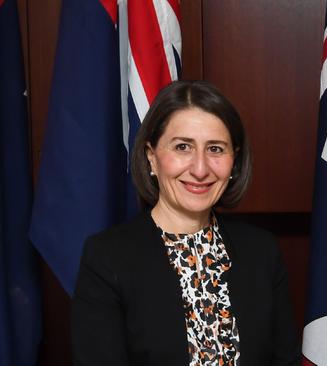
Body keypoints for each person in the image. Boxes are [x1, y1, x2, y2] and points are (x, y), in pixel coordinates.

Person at [72, 80, 300, 366]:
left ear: (235, 161)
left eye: (215, 149)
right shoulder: (107, 258)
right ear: (151, 157)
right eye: (183, 147)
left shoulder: (262, 251)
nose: (200, 169)